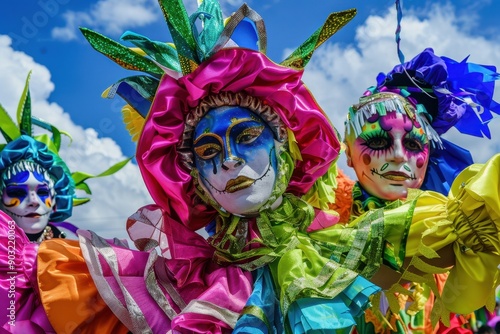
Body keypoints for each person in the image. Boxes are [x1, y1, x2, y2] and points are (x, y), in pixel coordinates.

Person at [3, 1, 500, 333]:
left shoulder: (349, 243)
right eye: (208, 152)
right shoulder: (172, 281)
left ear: (286, 149)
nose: (232, 161)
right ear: (191, 176)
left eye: (246, 137)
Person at [340, 48, 500, 333]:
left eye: (414, 144)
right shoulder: (322, 214)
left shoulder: (450, 234)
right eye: (378, 141)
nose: (400, 156)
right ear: (348, 152)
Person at [0, 73, 130, 332]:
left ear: (57, 196)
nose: (34, 202)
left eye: (42, 191)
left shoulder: (78, 257)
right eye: (18, 192)